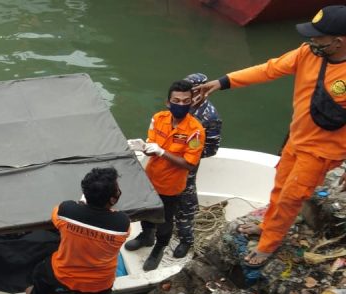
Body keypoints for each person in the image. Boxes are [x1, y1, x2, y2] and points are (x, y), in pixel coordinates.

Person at [195, 5, 346, 268]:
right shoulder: (307, 54)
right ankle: (266, 225)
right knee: (279, 187)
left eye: (318, 36)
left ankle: (268, 245)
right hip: (296, 140)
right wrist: (223, 81)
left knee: (291, 197)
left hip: (322, 152)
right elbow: (269, 69)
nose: (311, 40)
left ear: (338, 42)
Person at [25, 167, 130, 294]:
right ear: (112, 199)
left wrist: (80, 206)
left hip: (65, 273)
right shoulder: (122, 224)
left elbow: (55, 216)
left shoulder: (67, 210)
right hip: (98, 283)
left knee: (42, 271)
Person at [125, 80, 205, 271]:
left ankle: (159, 248)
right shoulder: (158, 118)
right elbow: (151, 146)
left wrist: (162, 152)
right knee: (146, 212)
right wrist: (143, 147)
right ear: (168, 102)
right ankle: (146, 236)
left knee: (165, 220)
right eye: (176, 100)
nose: (181, 104)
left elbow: (189, 163)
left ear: (191, 103)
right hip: (151, 177)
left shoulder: (195, 131)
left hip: (171, 185)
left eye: (186, 101)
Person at [172, 73, 223, 258]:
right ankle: (153, 234)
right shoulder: (179, 106)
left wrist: (185, 152)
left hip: (186, 169)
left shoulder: (210, 117)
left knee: (185, 206)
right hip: (166, 165)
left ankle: (186, 240)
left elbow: (211, 149)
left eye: (192, 92)